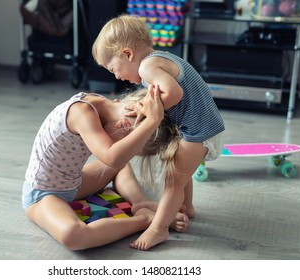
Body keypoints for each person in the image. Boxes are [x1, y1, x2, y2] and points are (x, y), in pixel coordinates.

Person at [92, 14, 225, 250]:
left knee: (172, 180)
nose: (116, 76)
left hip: (199, 130)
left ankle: (158, 229)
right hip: (202, 127)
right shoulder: (159, 59)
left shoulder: (147, 67)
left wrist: (148, 110)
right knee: (180, 172)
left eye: (114, 68)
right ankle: (187, 207)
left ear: (127, 54)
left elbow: (174, 94)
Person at [22, 86, 188, 250]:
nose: (129, 153)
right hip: (43, 193)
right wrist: (153, 120)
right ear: (121, 126)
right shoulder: (81, 113)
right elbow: (114, 158)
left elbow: (118, 161)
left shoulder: (106, 105)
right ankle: (145, 219)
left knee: (121, 165)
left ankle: (140, 203)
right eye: (133, 150)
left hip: (73, 183)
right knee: (73, 236)